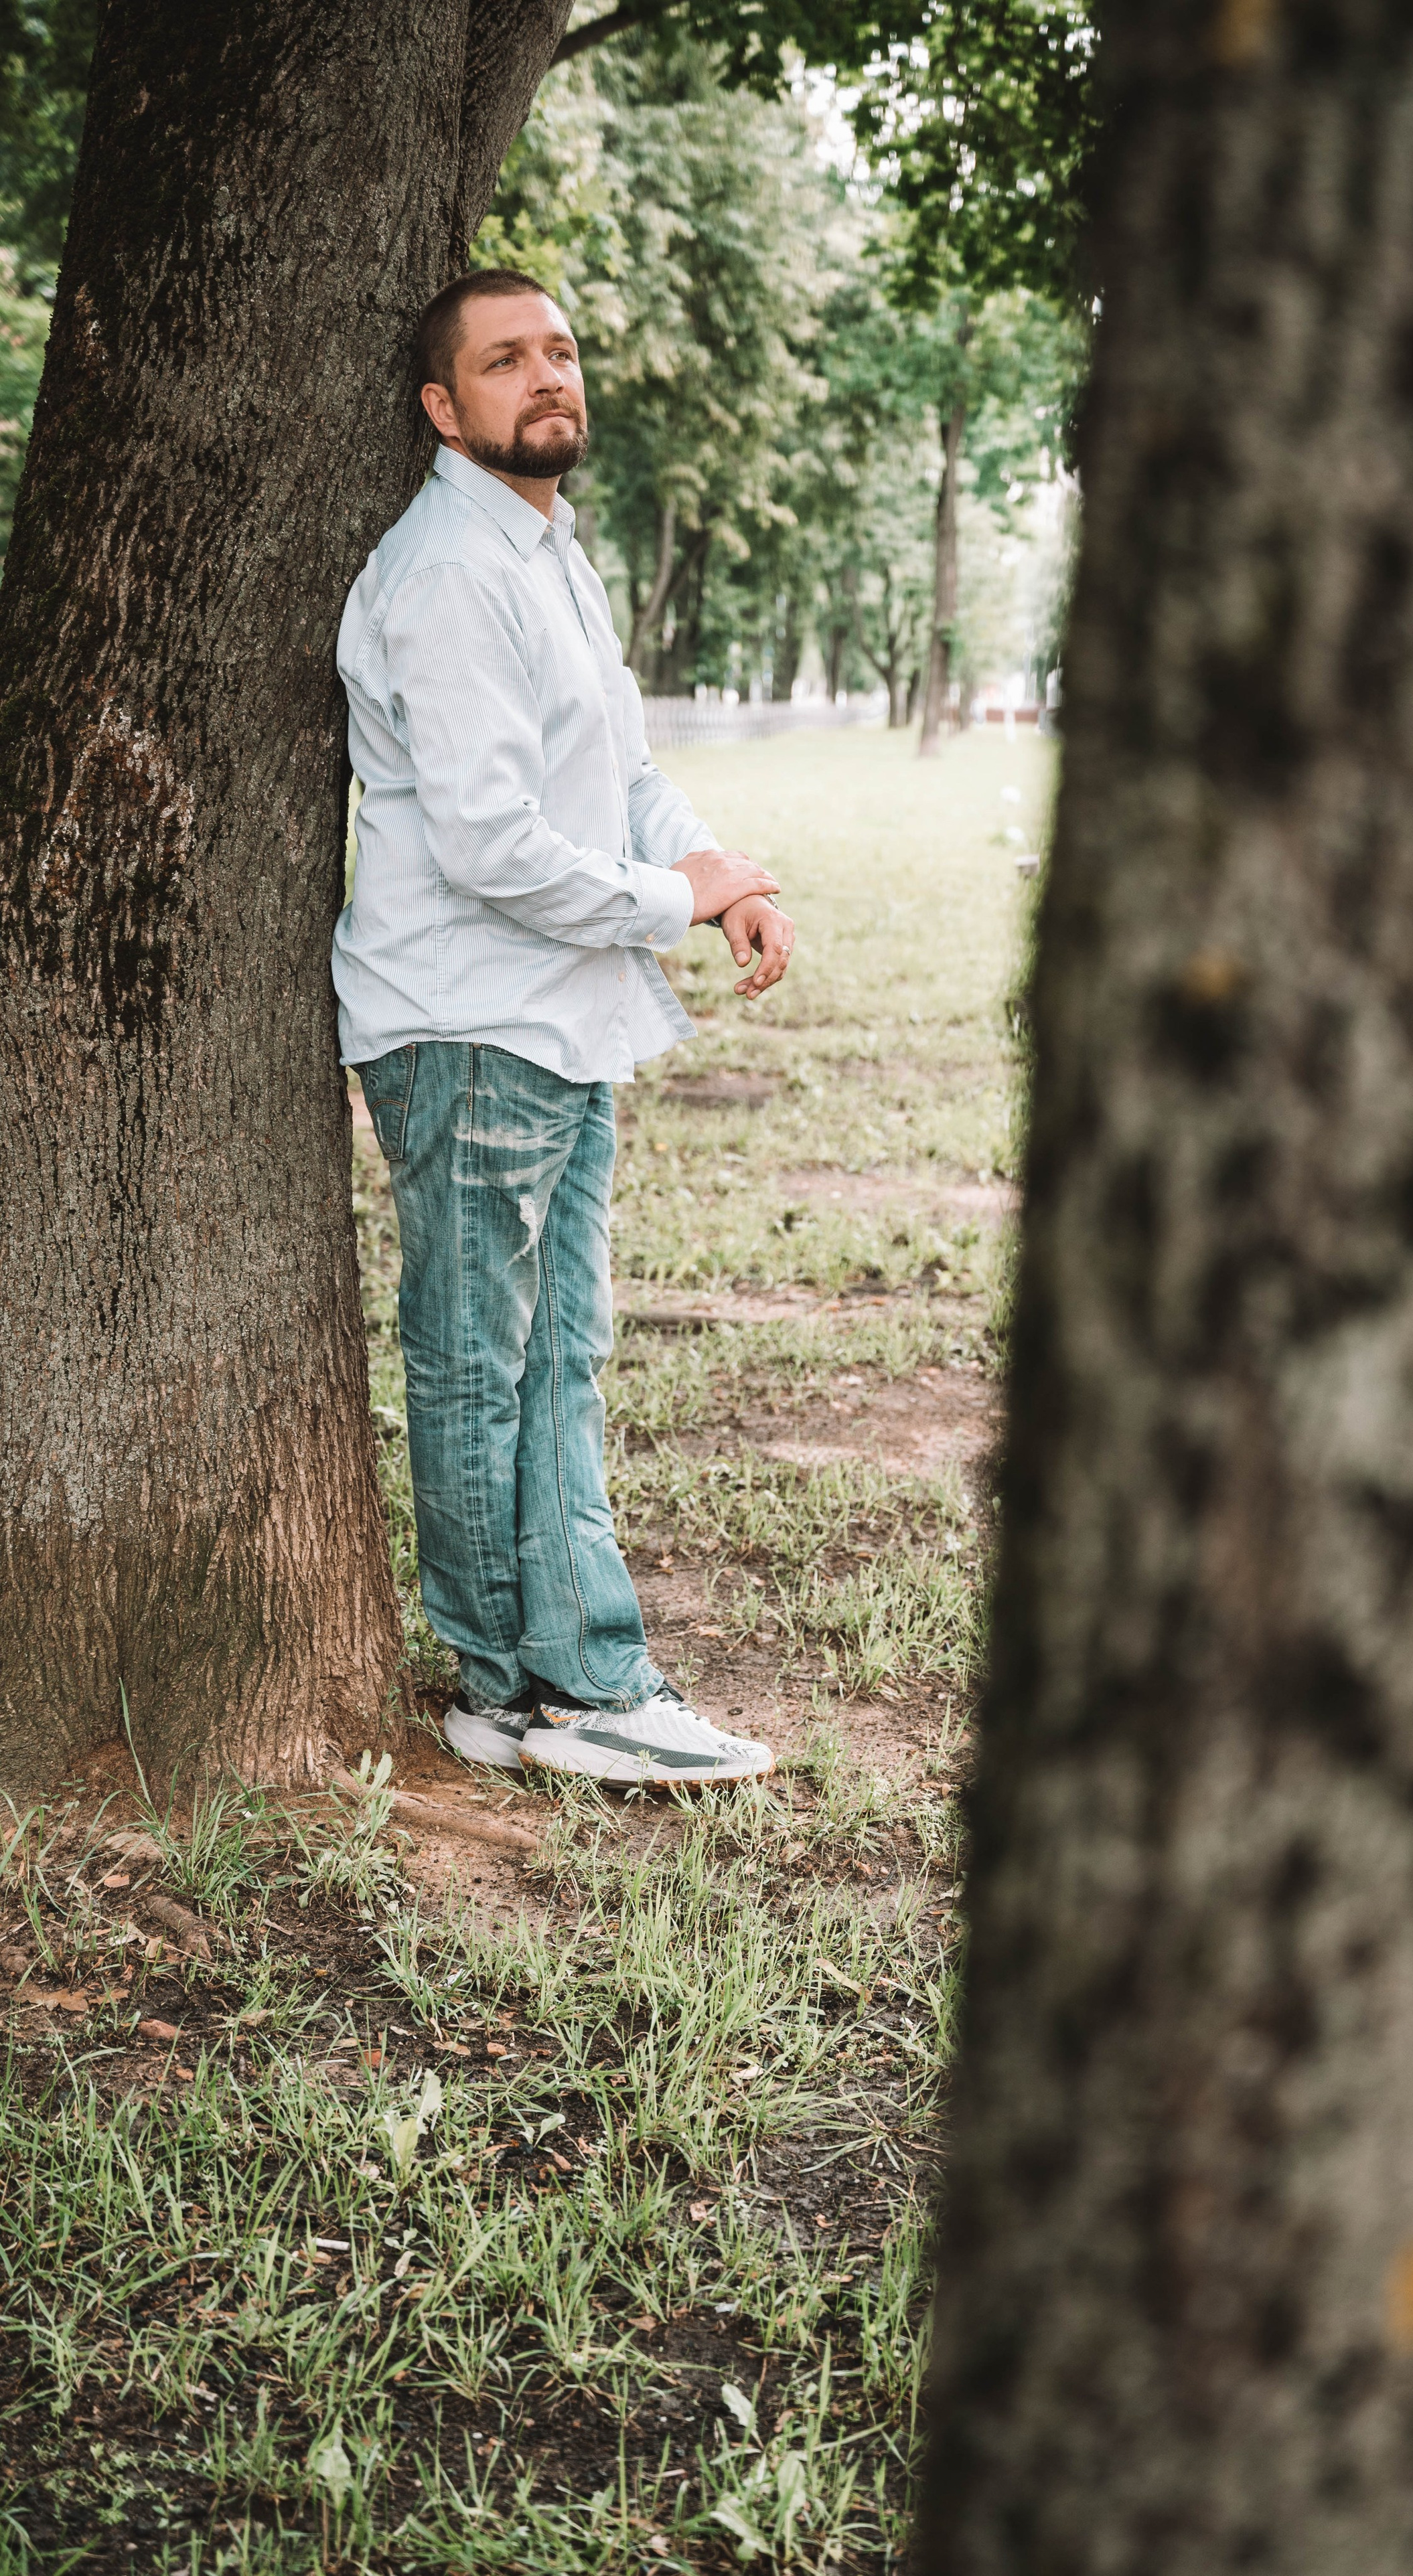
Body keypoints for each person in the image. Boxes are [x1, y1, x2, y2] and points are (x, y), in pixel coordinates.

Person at [332, 268, 794, 1787]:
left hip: (565, 1019)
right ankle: (520, 1691)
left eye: (560, 351)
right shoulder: (446, 574)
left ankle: (575, 1673)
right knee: (477, 1364)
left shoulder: (547, 555)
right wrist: (669, 899)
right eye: (505, 360)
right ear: (440, 406)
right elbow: (489, 843)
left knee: (556, 1361)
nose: (547, 378)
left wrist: (717, 879)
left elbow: (626, 780)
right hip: (470, 1025)